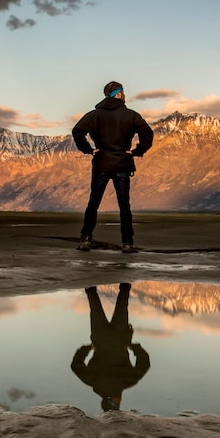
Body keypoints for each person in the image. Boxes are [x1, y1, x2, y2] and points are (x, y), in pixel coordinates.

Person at [71, 81, 154, 253]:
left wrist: (89, 150)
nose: (124, 94)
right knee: (124, 205)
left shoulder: (94, 115)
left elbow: (77, 131)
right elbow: (147, 133)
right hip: (123, 163)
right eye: (123, 91)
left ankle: (86, 239)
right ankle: (127, 243)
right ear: (118, 94)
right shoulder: (131, 115)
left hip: (101, 162)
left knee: (93, 203)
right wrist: (137, 151)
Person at [71, 283, 150, 412]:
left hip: (120, 339)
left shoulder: (128, 382)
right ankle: (90, 277)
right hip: (100, 338)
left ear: (115, 401)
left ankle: (124, 273)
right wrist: (88, 348)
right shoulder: (93, 382)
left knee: (122, 302)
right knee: (94, 304)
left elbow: (145, 363)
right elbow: (76, 366)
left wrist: (133, 346)